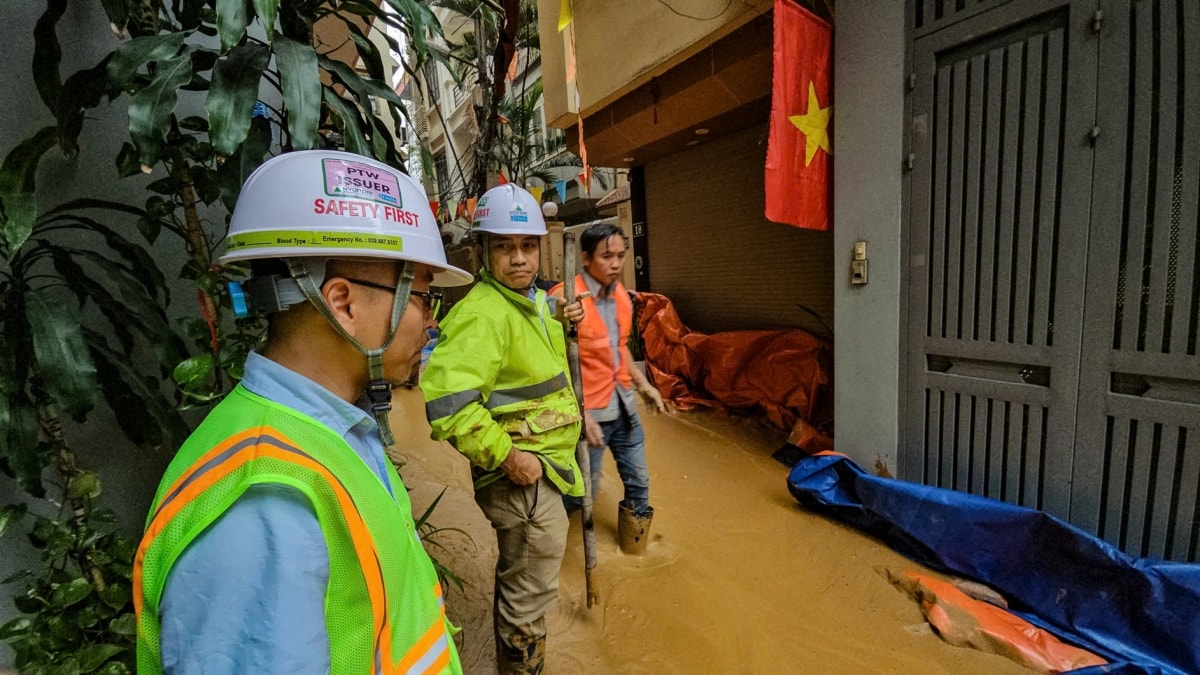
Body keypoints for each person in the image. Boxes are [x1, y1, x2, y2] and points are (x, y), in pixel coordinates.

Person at [133, 150, 472, 675]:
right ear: (343, 303)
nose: (431, 324)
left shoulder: (333, 429)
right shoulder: (266, 502)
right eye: (425, 298)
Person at [420, 184, 585, 674]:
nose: (519, 259)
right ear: (483, 252)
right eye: (504, 248)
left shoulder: (528, 302)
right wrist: (511, 459)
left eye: (528, 246)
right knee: (528, 598)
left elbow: (528, 361)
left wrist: (558, 317)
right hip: (523, 478)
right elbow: (448, 405)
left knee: (521, 581)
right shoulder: (482, 314)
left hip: (548, 467)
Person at [550, 222, 668, 554]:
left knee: (639, 485)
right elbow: (550, 363)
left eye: (620, 255)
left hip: (625, 409)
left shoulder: (621, 297)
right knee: (579, 493)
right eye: (607, 256)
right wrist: (580, 414)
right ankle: (548, 548)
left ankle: (634, 554)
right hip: (589, 417)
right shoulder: (564, 299)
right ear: (586, 258)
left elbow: (618, 348)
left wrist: (645, 387)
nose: (616, 264)